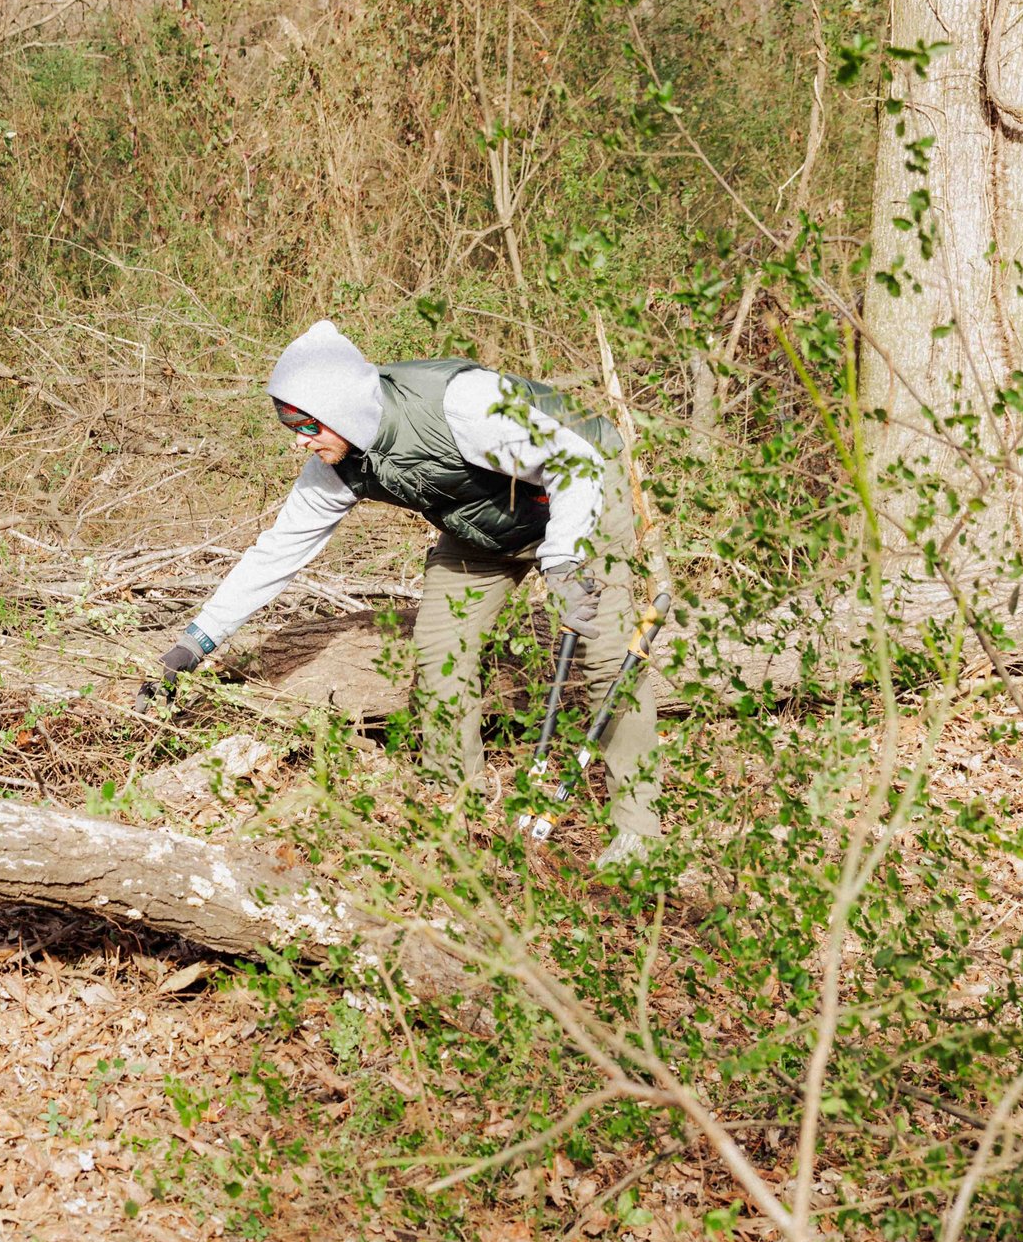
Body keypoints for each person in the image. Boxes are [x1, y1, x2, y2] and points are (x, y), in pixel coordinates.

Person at [144, 320, 661, 864]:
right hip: (484, 533)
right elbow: (276, 553)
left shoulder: (462, 405)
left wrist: (563, 562)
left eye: (306, 424)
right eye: (288, 424)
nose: (298, 439)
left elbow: (572, 464)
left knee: (606, 660)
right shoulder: (337, 466)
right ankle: (456, 807)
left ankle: (638, 833)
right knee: (440, 655)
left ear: (342, 408)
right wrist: (194, 644)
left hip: (582, 500)